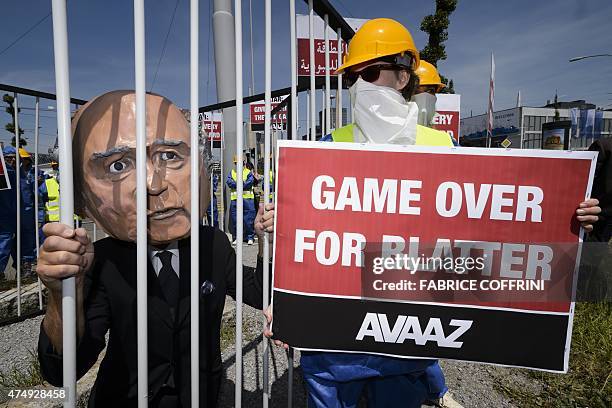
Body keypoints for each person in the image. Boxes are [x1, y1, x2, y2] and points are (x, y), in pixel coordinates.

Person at [264, 18, 602, 408]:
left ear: (403, 75)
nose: (360, 86)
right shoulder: (327, 146)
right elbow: (306, 234)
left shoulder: (443, 147)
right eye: (352, 78)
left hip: (406, 340)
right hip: (335, 346)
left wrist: (567, 217)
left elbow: (495, 220)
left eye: (370, 72)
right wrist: (277, 236)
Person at [36, 90, 272, 407]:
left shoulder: (212, 244)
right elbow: (63, 370)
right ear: (81, 199)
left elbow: (258, 293)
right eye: (118, 166)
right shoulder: (101, 261)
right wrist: (61, 295)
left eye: (169, 156)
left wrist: (264, 242)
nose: (154, 184)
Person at [226, 156, 256, 245]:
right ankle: (237, 237)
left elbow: (250, 182)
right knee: (236, 220)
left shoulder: (248, 172)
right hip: (235, 200)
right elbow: (229, 182)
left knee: (248, 220)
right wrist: (241, 183)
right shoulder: (232, 172)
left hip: (247, 199)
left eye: (240, 163)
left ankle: (250, 237)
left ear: (244, 163)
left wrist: (238, 184)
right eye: (236, 163)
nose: (238, 165)